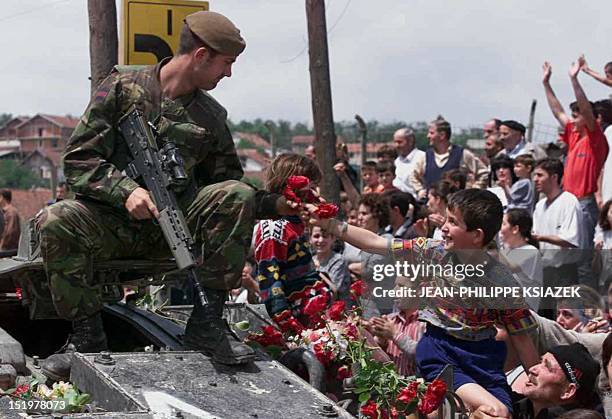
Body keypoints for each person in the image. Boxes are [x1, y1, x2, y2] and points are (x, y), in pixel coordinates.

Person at [38, 11, 299, 380]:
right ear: (201, 55)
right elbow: (78, 158)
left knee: (236, 193)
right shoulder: (123, 87)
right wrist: (126, 191)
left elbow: (230, 188)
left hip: (173, 229)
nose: (228, 74)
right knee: (56, 218)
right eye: (226, 64)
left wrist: (277, 204)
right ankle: (87, 339)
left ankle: (208, 323)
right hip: (111, 224)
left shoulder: (210, 116)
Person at [311, 189, 539, 417]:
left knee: (504, 412)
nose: (444, 227)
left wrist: (539, 385)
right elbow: (375, 243)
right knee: (495, 413)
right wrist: (331, 225)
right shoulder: (433, 252)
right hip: (441, 354)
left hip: (483, 362)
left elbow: (521, 339)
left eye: (453, 222)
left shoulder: (501, 282)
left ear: (477, 235)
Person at [543, 58, 609, 287]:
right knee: (566, 256)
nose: (572, 118)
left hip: (585, 202)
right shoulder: (574, 135)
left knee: (582, 257)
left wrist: (574, 79)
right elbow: (557, 111)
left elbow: (586, 109)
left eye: (577, 114)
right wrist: (546, 84)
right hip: (568, 201)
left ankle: (588, 305)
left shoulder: (595, 138)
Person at [253, 153, 331, 331]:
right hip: (297, 328)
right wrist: (292, 329)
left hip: (313, 320)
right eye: (310, 187)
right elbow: (271, 285)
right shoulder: (274, 228)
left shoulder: (296, 223)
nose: (315, 194)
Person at [472, 343, 602, 419]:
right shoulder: (512, 406)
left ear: (568, 391)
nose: (533, 369)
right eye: (540, 362)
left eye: (548, 367)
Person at [410, 116, 488, 199]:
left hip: (456, 207)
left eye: (431, 133)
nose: (428, 136)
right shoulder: (426, 156)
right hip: (432, 205)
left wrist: (471, 192)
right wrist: (420, 190)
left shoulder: (462, 154)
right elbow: (413, 176)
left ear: (442, 135)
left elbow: (483, 172)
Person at [367, 276, 426, 376]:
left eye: (401, 286)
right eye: (395, 285)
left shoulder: (426, 323)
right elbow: (377, 363)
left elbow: (424, 355)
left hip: (418, 389)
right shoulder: (391, 320)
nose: (395, 290)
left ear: (419, 290)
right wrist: (379, 340)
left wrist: (394, 334)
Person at [499, 208, 543, 311]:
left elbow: (509, 267)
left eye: (503, 224)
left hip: (524, 317)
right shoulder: (505, 250)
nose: (500, 229)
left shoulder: (531, 251)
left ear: (515, 229)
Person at [310, 225, 351, 304]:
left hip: (338, 310)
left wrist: (316, 271)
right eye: (316, 236)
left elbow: (333, 291)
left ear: (333, 238)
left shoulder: (338, 260)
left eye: (325, 236)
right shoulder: (309, 261)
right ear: (310, 239)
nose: (321, 240)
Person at [392, 128, 424, 195]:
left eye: (399, 142)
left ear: (410, 142)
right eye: (395, 142)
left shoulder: (422, 158)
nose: (396, 145)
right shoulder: (396, 162)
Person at [594, 199, 612, 290]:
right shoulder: (603, 236)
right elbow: (596, 269)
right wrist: (597, 253)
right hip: (605, 284)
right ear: (606, 216)